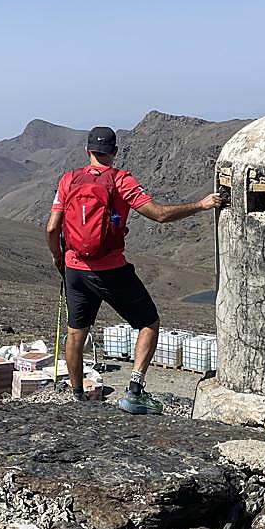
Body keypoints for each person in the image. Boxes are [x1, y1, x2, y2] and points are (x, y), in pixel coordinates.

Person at [46, 126, 221, 414]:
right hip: (111, 270)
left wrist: (58, 257)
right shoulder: (120, 180)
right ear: (115, 152)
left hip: (75, 268)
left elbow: (52, 227)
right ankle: (134, 392)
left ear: (87, 151)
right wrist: (201, 204)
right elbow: (160, 215)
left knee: (76, 332)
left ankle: (77, 397)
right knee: (148, 323)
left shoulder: (68, 180)